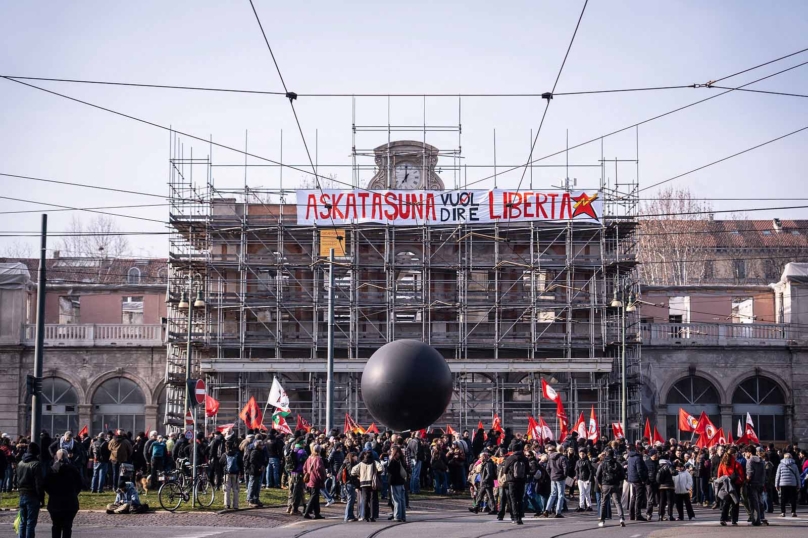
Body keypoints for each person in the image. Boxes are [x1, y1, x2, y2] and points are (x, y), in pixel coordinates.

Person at [44, 449, 82, 538]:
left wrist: (52, 494)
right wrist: (73, 493)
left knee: (56, 526)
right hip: (70, 502)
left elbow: (46, 485)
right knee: (67, 527)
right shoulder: (73, 469)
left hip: (55, 502)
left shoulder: (52, 470)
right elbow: (80, 484)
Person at [16, 442, 44, 538]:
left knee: (22, 522)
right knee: (30, 523)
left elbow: (16, 479)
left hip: (22, 493)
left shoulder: (20, 463)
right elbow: (38, 483)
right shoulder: (36, 464)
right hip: (32, 495)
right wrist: (41, 498)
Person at [595, 448, 625, 528]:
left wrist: (600, 484)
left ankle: (602, 520)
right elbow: (622, 475)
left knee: (603, 503)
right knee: (617, 502)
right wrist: (618, 481)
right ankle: (621, 519)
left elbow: (598, 475)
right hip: (615, 484)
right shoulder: (617, 463)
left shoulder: (602, 463)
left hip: (605, 484)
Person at [352, 450, 383, 522]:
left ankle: (365, 515)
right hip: (372, 483)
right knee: (372, 500)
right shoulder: (374, 462)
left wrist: (359, 475)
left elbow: (353, 471)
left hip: (363, 483)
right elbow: (381, 468)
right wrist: (376, 473)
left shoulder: (361, 463)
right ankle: (372, 516)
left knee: (365, 499)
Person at [502, 443, 528, 525]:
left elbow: (505, 471)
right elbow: (528, 470)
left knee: (513, 500)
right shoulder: (524, 458)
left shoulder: (510, 458)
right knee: (520, 499)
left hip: (512, 481)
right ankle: (520, 517)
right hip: (522, 481)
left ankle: (515, 517)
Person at [717, 451, 744, 526]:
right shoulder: (737, 464)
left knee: (726, 503)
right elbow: (741, 476)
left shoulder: (722, 464)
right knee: (735, 502)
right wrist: (740, 482)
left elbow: (719, 475)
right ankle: (734, 520)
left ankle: (723, 518)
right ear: (733, 455)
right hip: (735, 485)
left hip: (725, 485)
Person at [542, 444, 568, 518]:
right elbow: (565, 468)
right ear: (562, 450)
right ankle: (558, 512)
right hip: (560, 478)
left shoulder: (550, 458)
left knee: (552, 494)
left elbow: (547, 468)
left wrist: (551, 475)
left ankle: (547, 510)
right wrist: (564, 476)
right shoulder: (562, 458)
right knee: (560, 495)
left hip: (553, 477)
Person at [744, 445, 767, 526]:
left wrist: (745, 481)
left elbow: (749, 474)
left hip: (752, 484)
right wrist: (763, 482)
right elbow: (764, 473)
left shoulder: (749, 461)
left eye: (746, 452)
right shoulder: (761, 461)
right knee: (760, 501)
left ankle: (756, 520)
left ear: (749, 453)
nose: (745, 454)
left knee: (753, 503)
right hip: (760, 483)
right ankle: (762, 517)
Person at [302, 445, 327, 519]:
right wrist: (322, 479)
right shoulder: (318, 459)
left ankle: (317, 513)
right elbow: (320, 470)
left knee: (315, 496)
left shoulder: (309, 458)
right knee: (314, 496)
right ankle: (307, 512)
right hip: (316, 479)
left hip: (310, 479)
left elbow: (304, 468)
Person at [775, 451, 800, 517]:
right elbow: (797, 476)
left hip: (783, 484)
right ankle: (793, 512)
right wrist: (799, 485)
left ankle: (783, 512)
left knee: (783, 498)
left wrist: (776, 485)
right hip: (793, 484)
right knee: (793, 498)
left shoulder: (780, 465)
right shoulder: (794, 465)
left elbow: (778, 475)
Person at [627, 445, 648, 521]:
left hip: (632, 479)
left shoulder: (630, 457)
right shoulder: (638, 458)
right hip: (638, 480)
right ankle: (637, 514)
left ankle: (631, 514)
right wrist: (643, 479)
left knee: (634, 497)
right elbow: (640, 470)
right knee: (638, 497)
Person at [387, 445, 407, 522]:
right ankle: (403, 516)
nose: (391, 452)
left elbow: (391, 471)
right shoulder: (402, 460)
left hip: (395, 482)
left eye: (392, 451)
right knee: (402, 499)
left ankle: (397, 516)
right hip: (401, 482)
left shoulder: (393, 461)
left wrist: (387, 466)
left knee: (396, 500)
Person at [246, 438, 267, 508]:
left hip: (259, 471)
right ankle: (250, 499)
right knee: (252, 485)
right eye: (261, 445)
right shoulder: (254, 452)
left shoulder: (261, 452)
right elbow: (252, 460)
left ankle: (256, 499)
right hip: (254, 471)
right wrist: (259, 466)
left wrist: (263, 465)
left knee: (258, 486)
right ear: (258, 445)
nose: (263, 446)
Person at [220, 441, 241, 510]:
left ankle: (227, 504)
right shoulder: (237, 454)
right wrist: (241, 473)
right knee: (235, 489)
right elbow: (241, 463)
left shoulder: (224, 454)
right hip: (235, 473)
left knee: (227, 489)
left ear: (226, 447)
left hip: (227, 473)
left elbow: (221, 462)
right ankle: (236, 505)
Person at [340, 451, 360, 522]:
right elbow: (352, 475)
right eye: (355, 456)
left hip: (347, 483)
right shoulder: (350, 464)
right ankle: (347, 516)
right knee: (350, 500)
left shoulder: (345, 462)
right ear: (353, 456)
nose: (356, 457)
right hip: (349, 484)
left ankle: (351, 515)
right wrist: (357, 483)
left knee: (351, 500)